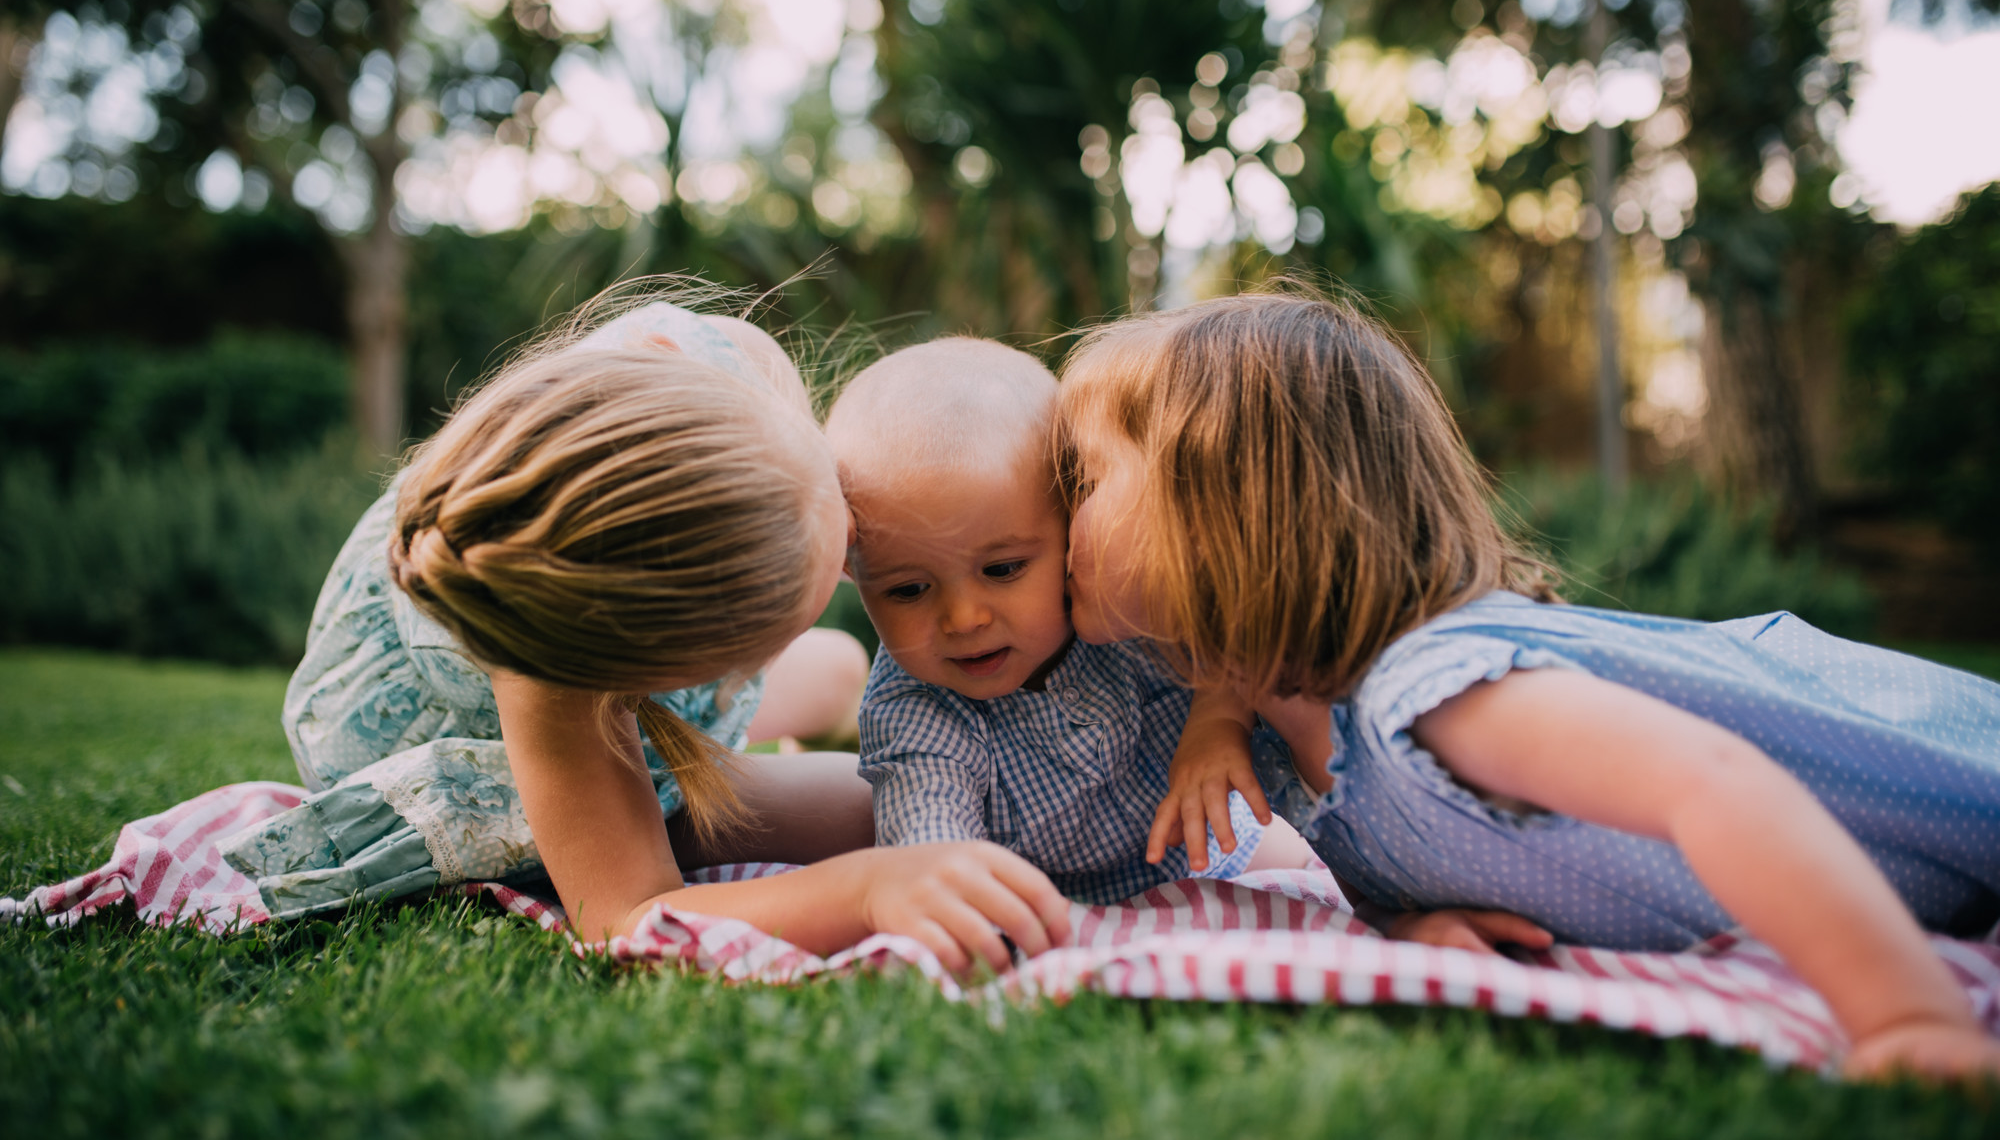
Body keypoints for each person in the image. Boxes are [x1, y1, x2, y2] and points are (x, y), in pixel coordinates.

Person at [1056, 288, 2000, 1082]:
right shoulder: (1283, 735)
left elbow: (1718, 782)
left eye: (1083, 476)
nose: (1057, 507)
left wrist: (1907, 1018)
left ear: (1218, 504)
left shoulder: (1437, 689)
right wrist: (1411, 912)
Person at [218, 292, 1069, 974]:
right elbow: (625, 912)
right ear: (650, 674)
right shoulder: (556, 682)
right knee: (867, 811)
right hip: (481, 749)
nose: (855, 555)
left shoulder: (719, 369)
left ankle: (793, 703)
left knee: (843, 665)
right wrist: (868, 892)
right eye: (752, 647)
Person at [827, 337, 1313, 904]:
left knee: (1295, 858)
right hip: (1054, 900)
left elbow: (1243, 628)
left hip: (1221, 854)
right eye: (908, 589)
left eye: (1003, 569)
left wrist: (1217, 717)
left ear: (1075, 516)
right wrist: (943, 888)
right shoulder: (914, 706)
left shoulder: (1128, 612)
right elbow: (929, 838)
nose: (963, 618)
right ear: (850, 567)